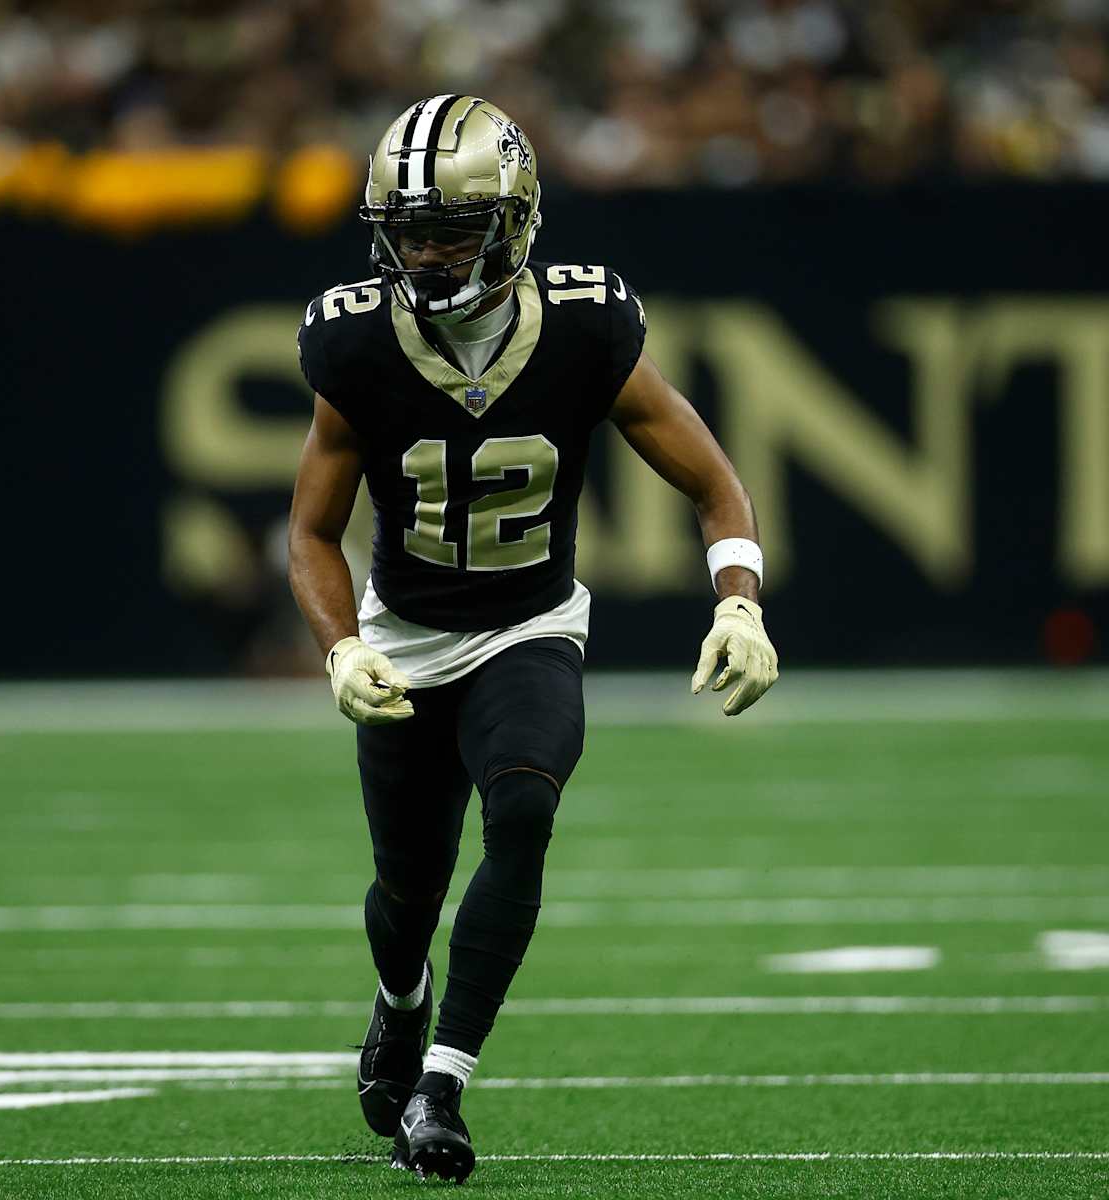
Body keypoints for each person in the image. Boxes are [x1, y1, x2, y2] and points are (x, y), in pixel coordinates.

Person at [286, 95, 779, 1183]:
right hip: (408, 633)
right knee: (407, 890)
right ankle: (401, 1000)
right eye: (407, 229)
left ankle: (443, 1086)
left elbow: (714, 483)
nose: (424, 251)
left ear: (514, 225)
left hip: (529, 624)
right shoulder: (356, 340)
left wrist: (737, 600)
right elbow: (312, 532)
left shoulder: (588, 326)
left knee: (522, 811)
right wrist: (339, 645)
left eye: (453, 230)